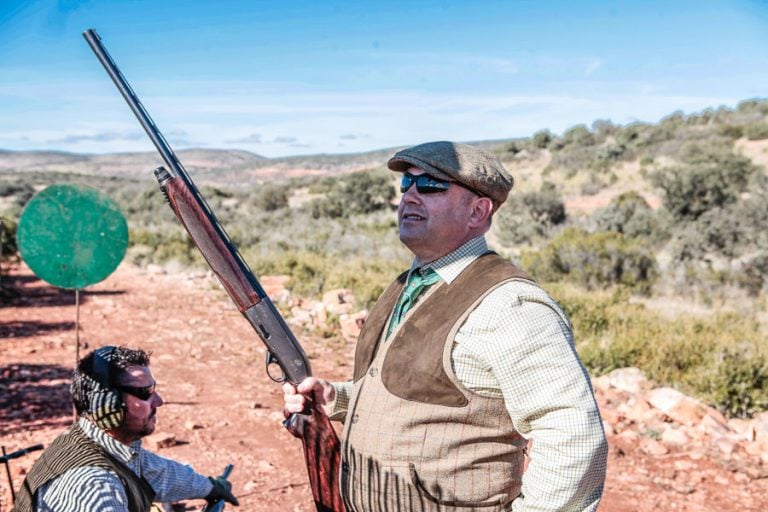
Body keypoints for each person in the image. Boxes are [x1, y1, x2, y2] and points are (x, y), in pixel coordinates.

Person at [284, 141, 608, 511]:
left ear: (478, 211)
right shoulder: (411, 283)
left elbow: (574, 435)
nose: (410, 196)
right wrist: (338, 399)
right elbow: (423, 396)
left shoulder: (509, 304)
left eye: (432, 186)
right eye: (407, 184)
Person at [13, 346, 239, 512]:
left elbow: (158, 474)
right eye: (144, 393)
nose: (158, 401)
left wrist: (210, 487)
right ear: (107, 404)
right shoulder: (97, 488)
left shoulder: (100, 442)